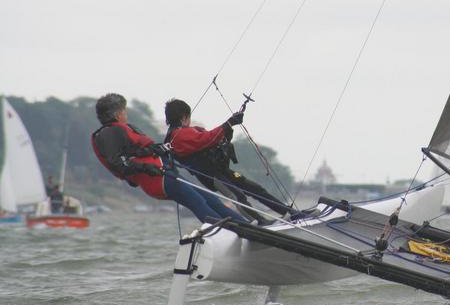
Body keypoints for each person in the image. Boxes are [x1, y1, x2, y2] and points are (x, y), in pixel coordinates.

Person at [91, 93, 246, 224]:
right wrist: (146, 168)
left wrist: (158, 149)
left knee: (211, 200)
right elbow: (117, 163)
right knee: (198, 202)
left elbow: (136, 152)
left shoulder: (118, 131)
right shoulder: (109, 133)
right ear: (118, 114)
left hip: (164, 174)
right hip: (157, 179)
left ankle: (244, 226)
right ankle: (234, 230)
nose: (126, 115)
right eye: (124, 111)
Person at [163, 98, 305, 221]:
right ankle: (259, 222)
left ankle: (289, 212)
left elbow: (213, 139)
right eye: (189, 117)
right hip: (211, 176)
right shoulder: (179, 135)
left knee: (255, 188)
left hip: (222, 171)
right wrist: (229, 123)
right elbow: (206, 139)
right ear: (183, 117)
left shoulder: (188, 131)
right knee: (237, 196)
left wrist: (229, 127)